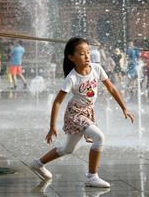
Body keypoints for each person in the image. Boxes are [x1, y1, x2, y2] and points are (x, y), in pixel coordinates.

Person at [29, 37, 135, 188]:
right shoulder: (72, 77)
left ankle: (38, 164)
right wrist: (52, 126)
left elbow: (111, 88)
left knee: (68, 149)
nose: (87, 56)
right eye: (82, 54)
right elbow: (57, 101)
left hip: (88, 112)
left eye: (88, 52)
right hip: (75, 114)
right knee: (99, 137)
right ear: (71, 57)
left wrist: (124, 107)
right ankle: (92, 177)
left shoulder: (97, 68)